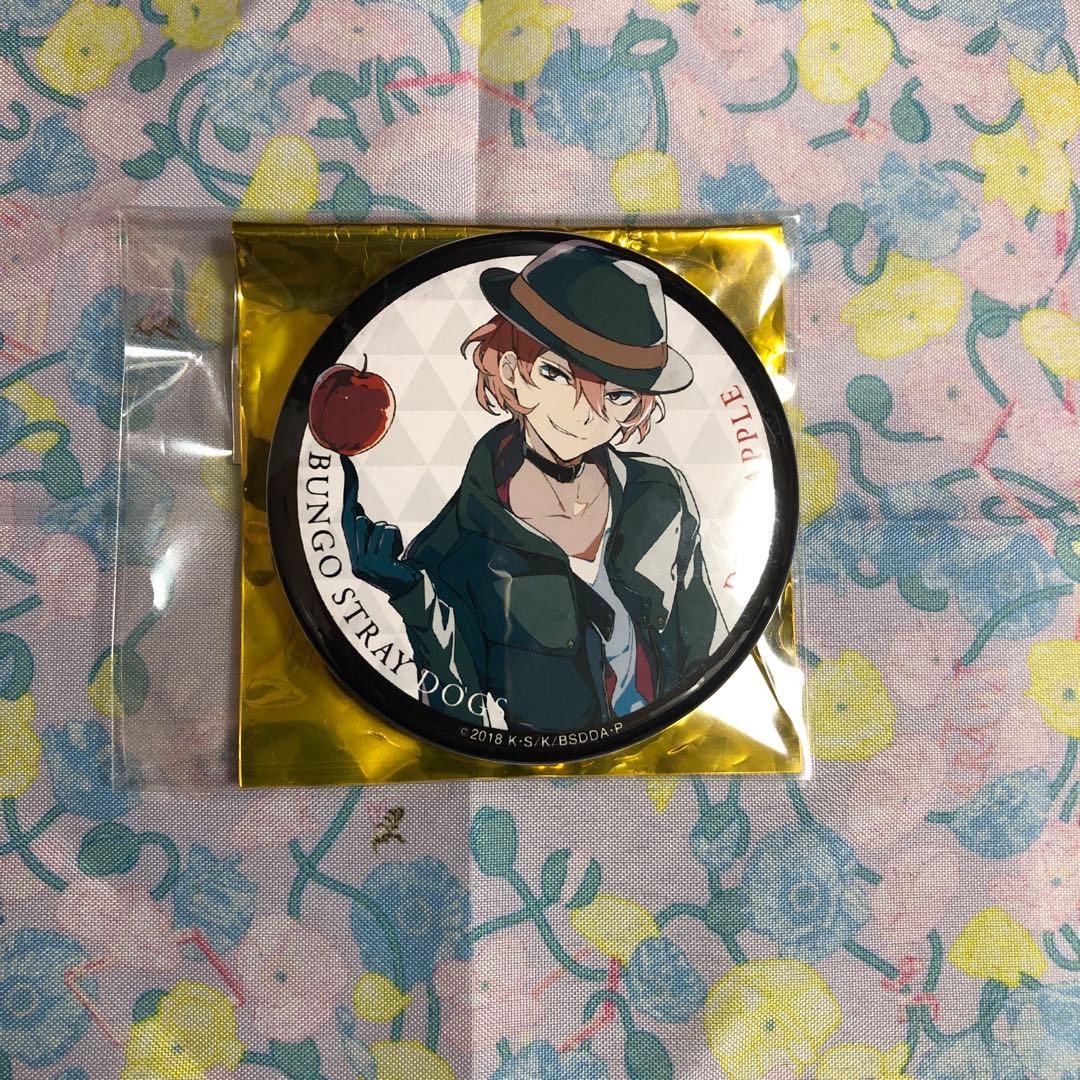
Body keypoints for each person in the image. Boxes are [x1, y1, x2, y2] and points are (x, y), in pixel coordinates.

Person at [338, 239, 726, 732]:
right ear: (509, 370)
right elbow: (460, 718)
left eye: (618, 395)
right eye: (556, 374)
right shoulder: (451, 551)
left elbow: (709, 652)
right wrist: (415, 598)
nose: (584, 413)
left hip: (676, 745)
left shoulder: (662, 493)